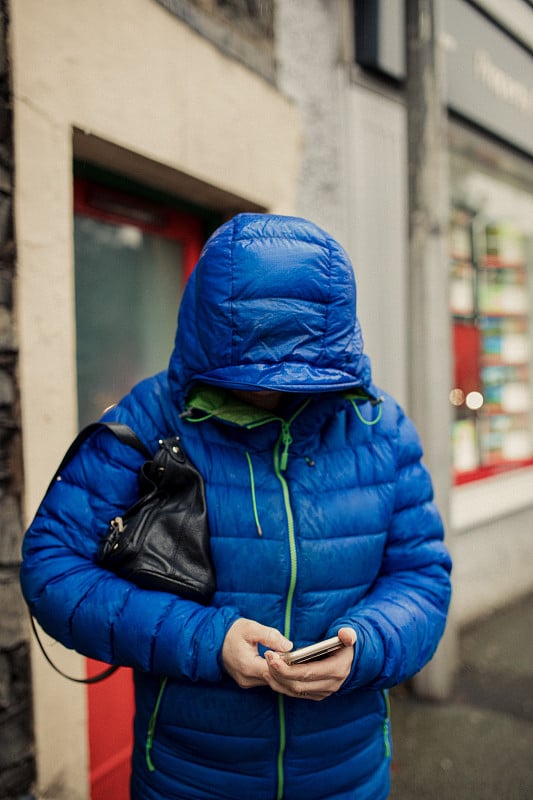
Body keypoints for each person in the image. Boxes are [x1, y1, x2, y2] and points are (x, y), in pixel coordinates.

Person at [21, 213, 452, 800]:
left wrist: (366, 647)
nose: (273, 392)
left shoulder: (380, 428)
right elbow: (52, 569)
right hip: (188, 777)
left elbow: (421, 578)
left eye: (301, 374)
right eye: (251, 371)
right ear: (208, 331)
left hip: (346, 776)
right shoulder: (150, 420)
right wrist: (206, 640)